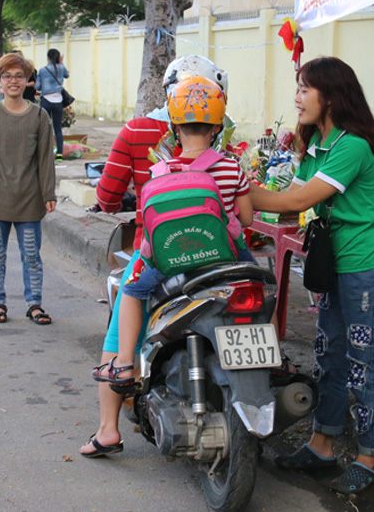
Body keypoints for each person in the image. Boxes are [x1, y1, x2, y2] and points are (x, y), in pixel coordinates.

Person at [249, 56, 374, 495]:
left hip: (370, 267)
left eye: (304, 89)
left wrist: (232, 189)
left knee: (365, 364)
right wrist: (234, 187)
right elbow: (292, 193)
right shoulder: (317, 144)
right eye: (297, 88)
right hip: (337, 266)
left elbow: (299, 203)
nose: (297, 98)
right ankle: (322, 444)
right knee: (330, 356)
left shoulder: (351, 146)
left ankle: (370, 458)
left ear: (330, 96)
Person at [79, 54, 228, 458]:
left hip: (161, 252)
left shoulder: (139, 132)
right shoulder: (223, 138)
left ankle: (109, 425)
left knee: (122, 319)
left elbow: (108, 197)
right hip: (220, 256)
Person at [94, 76, 254, 393]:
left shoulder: (160, 171)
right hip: (224, 257)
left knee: (132, 290)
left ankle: (124, 364)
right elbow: (245, 219)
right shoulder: (232, 168)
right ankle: (273, 360)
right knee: (263, 284)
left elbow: (153, 225)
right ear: (217, 128)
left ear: (175, 128)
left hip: (170, 259)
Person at [0, 52, 58, 326]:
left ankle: (34, 304)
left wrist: (48, 193)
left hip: (29, 201)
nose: (13, 81)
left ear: (28, 80)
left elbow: (45, 158)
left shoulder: (39, 116)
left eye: (19, 76)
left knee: (31, 256)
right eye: (7, 76)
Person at [37, 48, 69, 159]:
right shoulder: (61, 68)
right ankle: (59, 153)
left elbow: (37, 86)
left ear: (48, 58)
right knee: (58, 128)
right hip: (58, 101)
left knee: (45, 127)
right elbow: (67, 75)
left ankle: (46, 153)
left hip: (45, 101)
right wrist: (61, 63)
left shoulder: (43, 70)